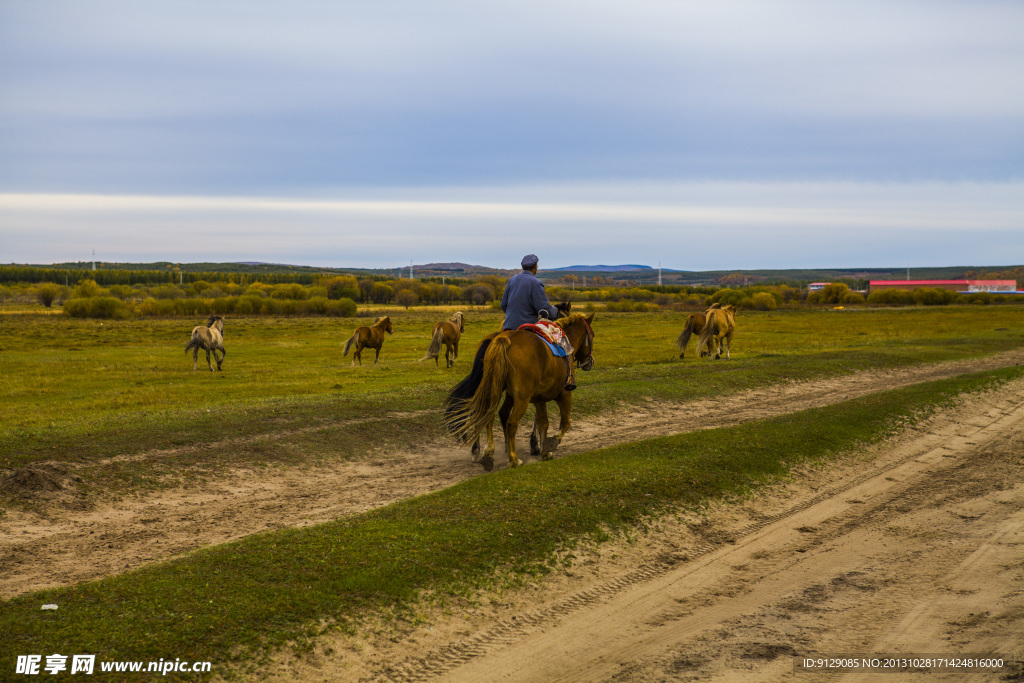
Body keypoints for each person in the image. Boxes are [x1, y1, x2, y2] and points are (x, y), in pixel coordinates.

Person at [500, 254, 576, 391]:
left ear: (523, 266)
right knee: (562, 339)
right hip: (528, 328)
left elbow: (503, 304)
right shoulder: (536, 283)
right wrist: (556, 312)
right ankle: (569, 376)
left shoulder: (511, 280)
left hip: (509, 327)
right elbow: (544, 308)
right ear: (535, 267)